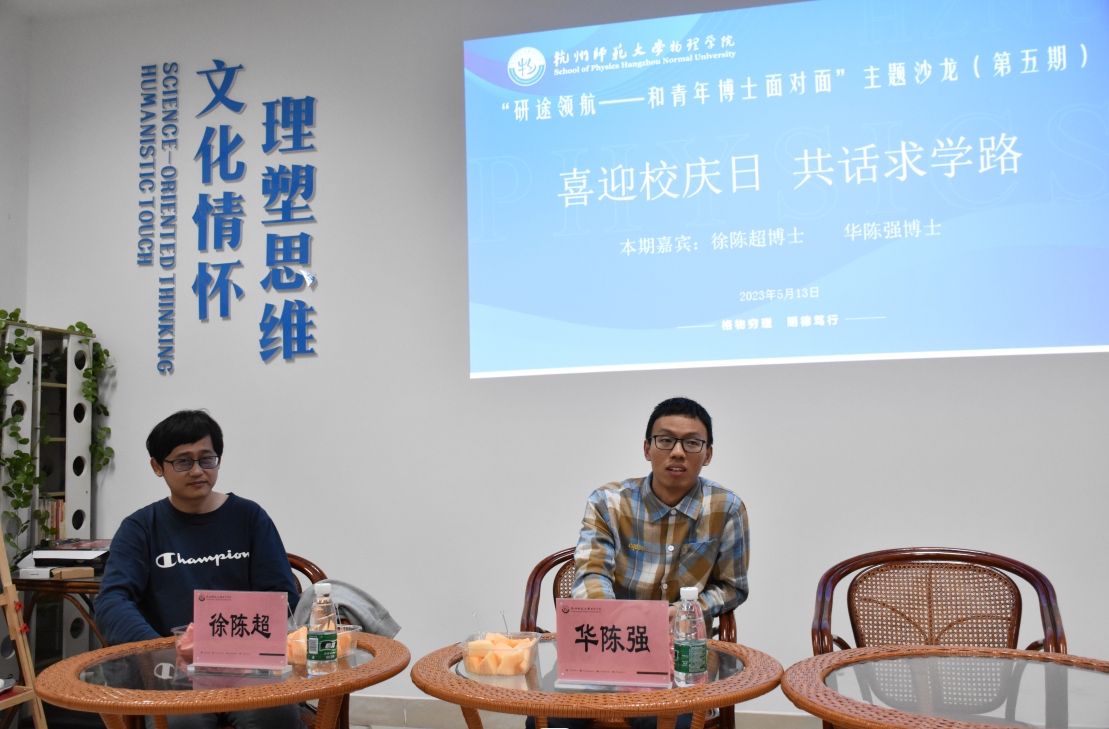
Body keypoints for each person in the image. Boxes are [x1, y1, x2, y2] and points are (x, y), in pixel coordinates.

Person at [527, 397, 749, 729]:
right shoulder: (608, 502)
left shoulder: (727, 508)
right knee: (547, 720)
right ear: (647, 448)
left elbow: (732, 587)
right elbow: (591, 573)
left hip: (683, 648)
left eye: (692, 443)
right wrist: (619, 624)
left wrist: (687, 610)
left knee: (671, 723)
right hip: (608, 642)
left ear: (708, 454)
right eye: (665, 440)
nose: (678, 452)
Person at [95, 410, 302, 729]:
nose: (197, 470)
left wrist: (241, 649)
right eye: (182, 461)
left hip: (248, 666)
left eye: (207, 459)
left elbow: (281, 595)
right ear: (157, 467)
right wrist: (164, 650)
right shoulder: (141, 528)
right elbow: (112, 602)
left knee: (277, 715)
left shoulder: (249, 517)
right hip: (174, 668)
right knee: (182, 723)